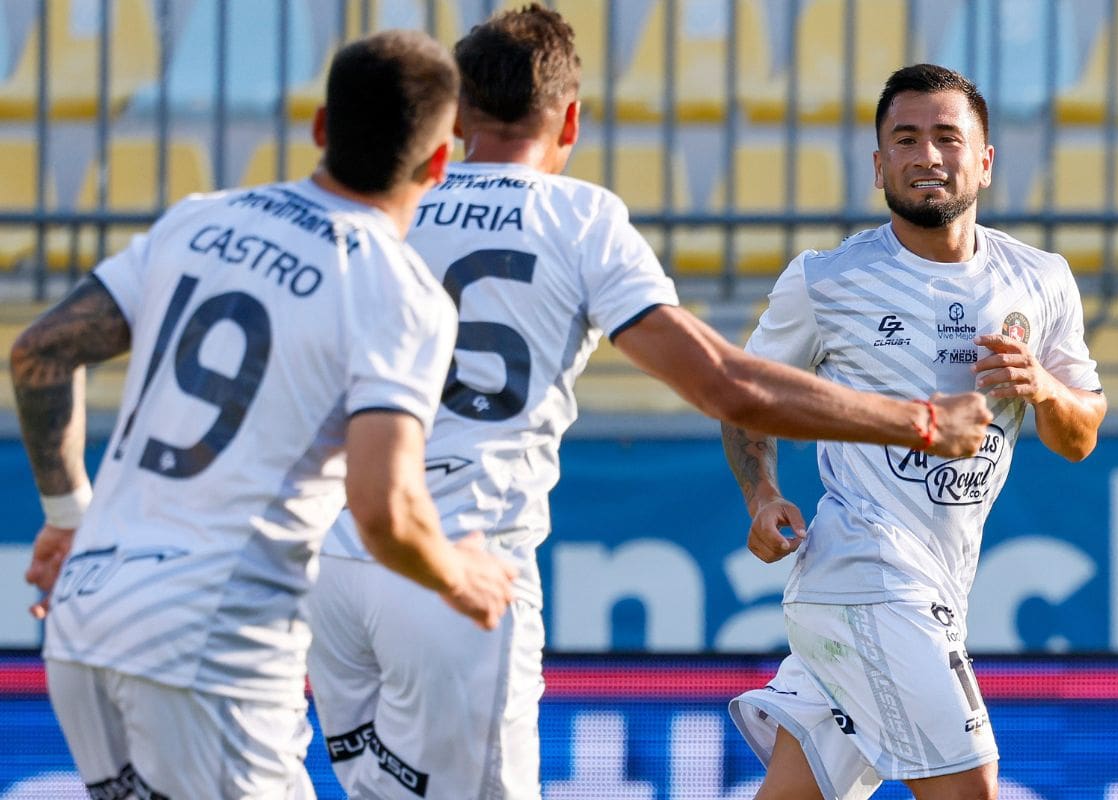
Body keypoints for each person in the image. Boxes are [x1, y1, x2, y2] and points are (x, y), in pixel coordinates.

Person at [304, 12, 993, 800]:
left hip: (336, 564)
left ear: (457, 118)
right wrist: (923, 421)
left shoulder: (388, 210)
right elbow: (727, 386)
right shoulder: (578, 219)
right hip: (462, 561)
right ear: (569, 119)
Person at [10, 30, 517, 799]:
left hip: (87, 617)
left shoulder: (197, 221)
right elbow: (385, 511)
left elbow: (40, 352)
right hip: (206, 644)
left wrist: (68, 514)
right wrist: (461, 577)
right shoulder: (396, 290)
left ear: (319, 127)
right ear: (441, 162)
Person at [723, 63, 1107, 800]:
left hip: (931, 586)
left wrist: (1043, 389)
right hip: (864, 575)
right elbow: (744, 397)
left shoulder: (1042, 280)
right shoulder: (826, 280)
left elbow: (1080, 435)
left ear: (985, 161)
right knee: (971, 788)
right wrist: (761, 494)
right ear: (879, 165)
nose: (927, 156)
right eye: (905, 139)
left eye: (946, 137)